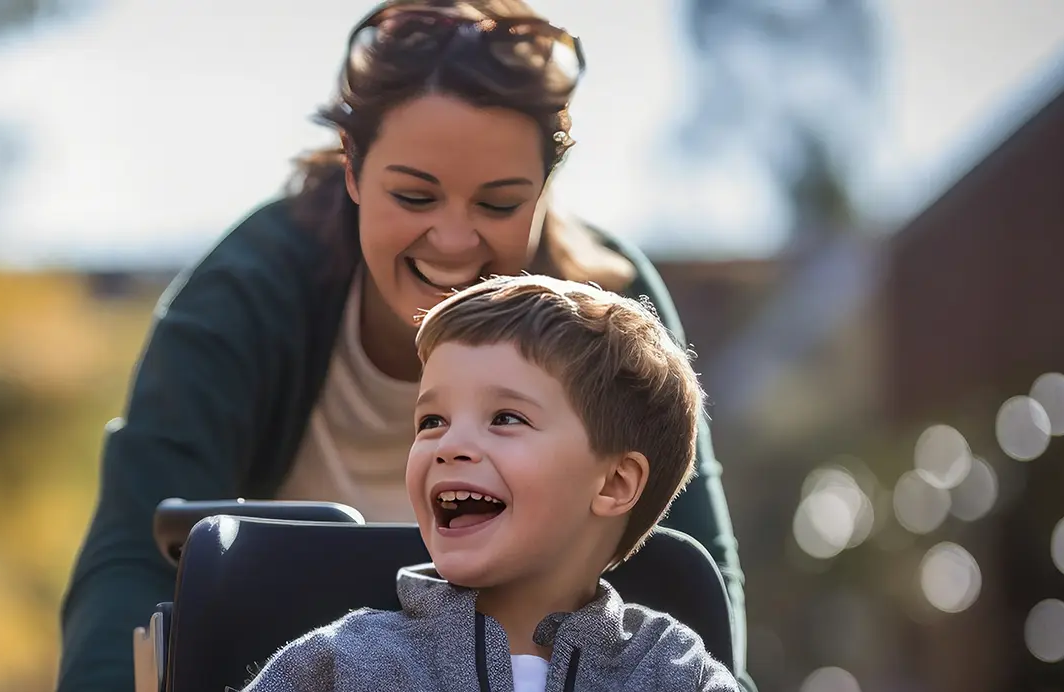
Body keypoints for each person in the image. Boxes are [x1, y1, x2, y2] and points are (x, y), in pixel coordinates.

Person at [57, 1, 747, 689]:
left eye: (499, 204)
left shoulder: (607, 320)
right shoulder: (247, 297)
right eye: (416, 197)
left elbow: (690, 568)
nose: (453, 241)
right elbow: (135, 548)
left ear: (543, 190)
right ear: (353, 169)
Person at [239, 274, 736, 692]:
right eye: (432, 420)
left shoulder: (677, 675)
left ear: (614, 483)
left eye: (504, 417)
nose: (449, 444)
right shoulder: (341, 666)